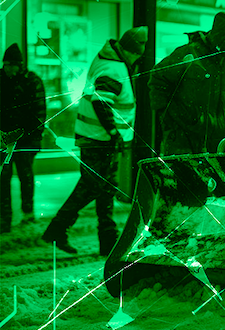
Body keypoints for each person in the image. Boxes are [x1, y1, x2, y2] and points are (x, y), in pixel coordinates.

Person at [42, 27, 147, 254]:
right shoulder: (114, 68)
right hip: (99, 139)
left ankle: (107, 239)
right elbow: (102, 102)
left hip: (96, 137)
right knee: (92, 186)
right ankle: (57, 228)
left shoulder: (108, 59)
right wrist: (113, 132)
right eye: (138, 55)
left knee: (106, 187)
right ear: (131, 52)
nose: (137, 60)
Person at [149, 11, 225, 156]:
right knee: (181, 178)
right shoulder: (189, 55)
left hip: (219, 141)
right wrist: (169, 116)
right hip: (183, 139)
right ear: (223, 36)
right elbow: (158, 78)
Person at [1, 43, 46, 233]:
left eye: (13, 64)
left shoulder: (32, 80)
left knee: (25, 175)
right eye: (7, 64)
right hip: (4, 139)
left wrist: (30, 134)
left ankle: (27, 213)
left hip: (25, 138)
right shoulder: (5, 79)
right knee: (4, 177)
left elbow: (39, 112)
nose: (9, 68)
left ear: (20, 65)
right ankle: (5, 217)